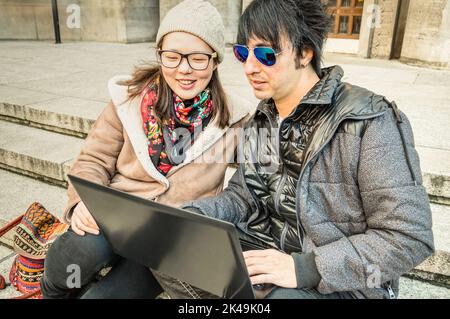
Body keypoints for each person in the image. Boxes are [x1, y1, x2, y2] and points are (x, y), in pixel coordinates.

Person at [181, 0, 435, 299]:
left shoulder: (369, 120)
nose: (250, 67)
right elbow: (244, 196)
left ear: (305, 52)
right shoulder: (261, 120)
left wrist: (306, 268)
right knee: (177, 252)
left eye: (265, 54)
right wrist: (189, 217)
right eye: (242, 53)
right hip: (270, 253)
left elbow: (409, 236)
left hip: (346, 282)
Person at [40, 0, 253, 299]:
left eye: (198, 58)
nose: (184, 70)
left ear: (215, 60)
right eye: (173, 57)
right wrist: (82, 201)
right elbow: (93, 159)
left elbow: (258, 182)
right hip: (115, 217)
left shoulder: (235, 119)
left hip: (166, 242)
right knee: (82, 252)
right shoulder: (128, 100)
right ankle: (52, 291)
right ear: (161, 56)